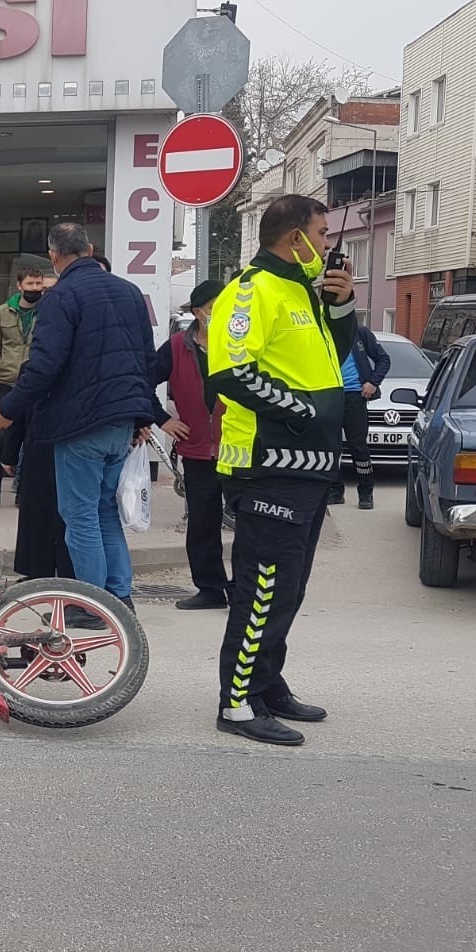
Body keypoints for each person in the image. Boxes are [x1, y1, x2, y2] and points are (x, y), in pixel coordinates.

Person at [205, 194, 359, 748]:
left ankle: (267, 685)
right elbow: (230, 371)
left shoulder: (302, 290)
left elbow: (334, 357)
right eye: (320, 235)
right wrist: (303, 412)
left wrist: (340, 307)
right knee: (263, 588)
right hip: (267, 466)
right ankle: (238, 701)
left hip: (309, 468)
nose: (326, 247)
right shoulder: (251, 290)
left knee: (288, 589)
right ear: (294, 238)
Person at [0, 227, 155, 609]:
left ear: (53, 256)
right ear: (91, 249)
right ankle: (119, 597)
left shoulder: (60, 297)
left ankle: (90, 606)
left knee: (79, 517)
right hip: (121, 422)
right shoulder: (129, 292)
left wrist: (7, 410)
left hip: (81, 423)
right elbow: (147, 360)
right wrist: (142, 415)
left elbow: (44, 366)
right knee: (104, 511)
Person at [151, 280, 230, 611]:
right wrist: (162, 419)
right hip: (197, 449)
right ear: (199, 313)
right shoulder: (175, 347)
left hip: (240, 447)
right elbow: (141, 382)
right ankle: (210, 589)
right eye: (215, 308)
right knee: (202, 522)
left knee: (252, 525)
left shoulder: (243, 343)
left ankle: (244, 590)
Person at [0, 258, 48, 511]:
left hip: (35, 383)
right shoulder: (2, 312)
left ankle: (23, 489)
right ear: (19, 286)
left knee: (31, 438)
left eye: (39, 284)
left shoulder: (48, 311)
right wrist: (7, 368)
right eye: (30, 284)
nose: (35, 288)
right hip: (8, 382)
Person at [0, 410, 75, 581]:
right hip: (73, 439)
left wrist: (9, 454)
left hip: (42, 439)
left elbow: (22, 405)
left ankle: (39, 568)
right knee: (70, 512)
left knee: (38, 510)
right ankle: (68, 570)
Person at [332, 324, 390, 510]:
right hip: (329, 395)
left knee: (358, 447)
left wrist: (373, 382)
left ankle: (366, 493)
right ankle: (335, 491)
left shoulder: (359, 332)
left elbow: (383, 359)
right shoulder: (321, 330)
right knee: (330, 447)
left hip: (355, 396)